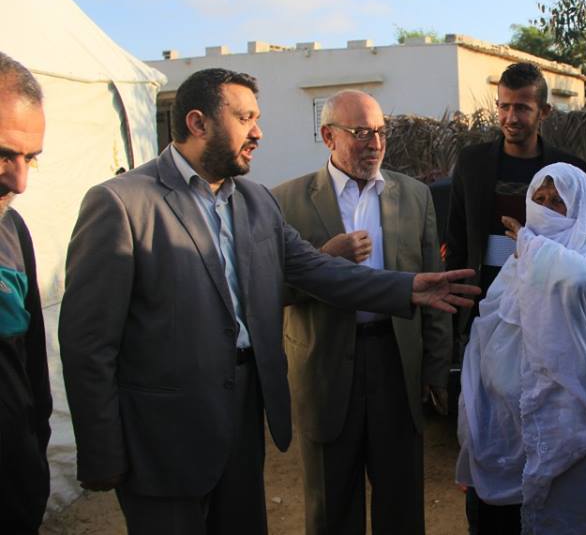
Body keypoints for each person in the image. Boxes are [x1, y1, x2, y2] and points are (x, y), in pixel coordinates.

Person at [58, 69, 478, 535]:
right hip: (166, 434)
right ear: (198, 123)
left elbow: (317, 270)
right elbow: (88, 343)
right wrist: (101, 452)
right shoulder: (121, 204)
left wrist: (405, 288)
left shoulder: (255, 202)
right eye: (245, 119)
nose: (258, 132)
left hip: (244, 414)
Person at [272, 90, 450, 535]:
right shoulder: (285, 202)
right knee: (332, 505)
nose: (375, 143)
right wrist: (324, 258)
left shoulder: (415, 196)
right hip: (325, 368)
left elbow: (434, 287)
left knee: (402, 504)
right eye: (361, 133)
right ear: (328, 136)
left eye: (380, 132)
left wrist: (434, 367)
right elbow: (271, 291)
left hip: (395, 363)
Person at [446, 61, 586, 530]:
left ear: (543, 112)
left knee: (544, 424)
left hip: (547, 317)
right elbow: (458, 241)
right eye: (504, 107)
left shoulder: (568, 170)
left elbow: (579, 244)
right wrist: (461, 312)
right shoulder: (473, 163)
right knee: (488, 420)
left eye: (522, 108)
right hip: (486, 317)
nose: (511, 117)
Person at [456, 162, 586, 534]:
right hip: (511, 421)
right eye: (540, 199)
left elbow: (582, 279)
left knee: (573, 509)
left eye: (558, 201)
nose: (547, 208)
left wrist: (530, 244)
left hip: (575, 417)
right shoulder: (519, 256)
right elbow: (490, 322)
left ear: (580, 204)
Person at [0, 52, 51, 535]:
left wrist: (33, 458)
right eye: (2, 154)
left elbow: (31, 361)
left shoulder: (12, 230)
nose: (19, 181)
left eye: (30, 158)